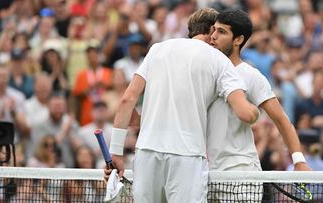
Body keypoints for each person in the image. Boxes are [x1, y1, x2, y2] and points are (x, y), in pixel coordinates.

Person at [106, 8, 259, 203]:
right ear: (212, 31)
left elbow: (127, 100)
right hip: (187, 158)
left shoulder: (157, 49)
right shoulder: (219, 60)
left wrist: (116, 151)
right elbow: (245, 113)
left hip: (146, 154)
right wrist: (255, 112)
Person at [207, 9, 311, 201]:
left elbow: (282, 120)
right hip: (205, 175)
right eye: (213, 30)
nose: (213, 36)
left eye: (221, 32)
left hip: (240, 175)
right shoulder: (201, 72)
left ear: (238, 40)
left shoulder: (251, 75)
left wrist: (299, 161)